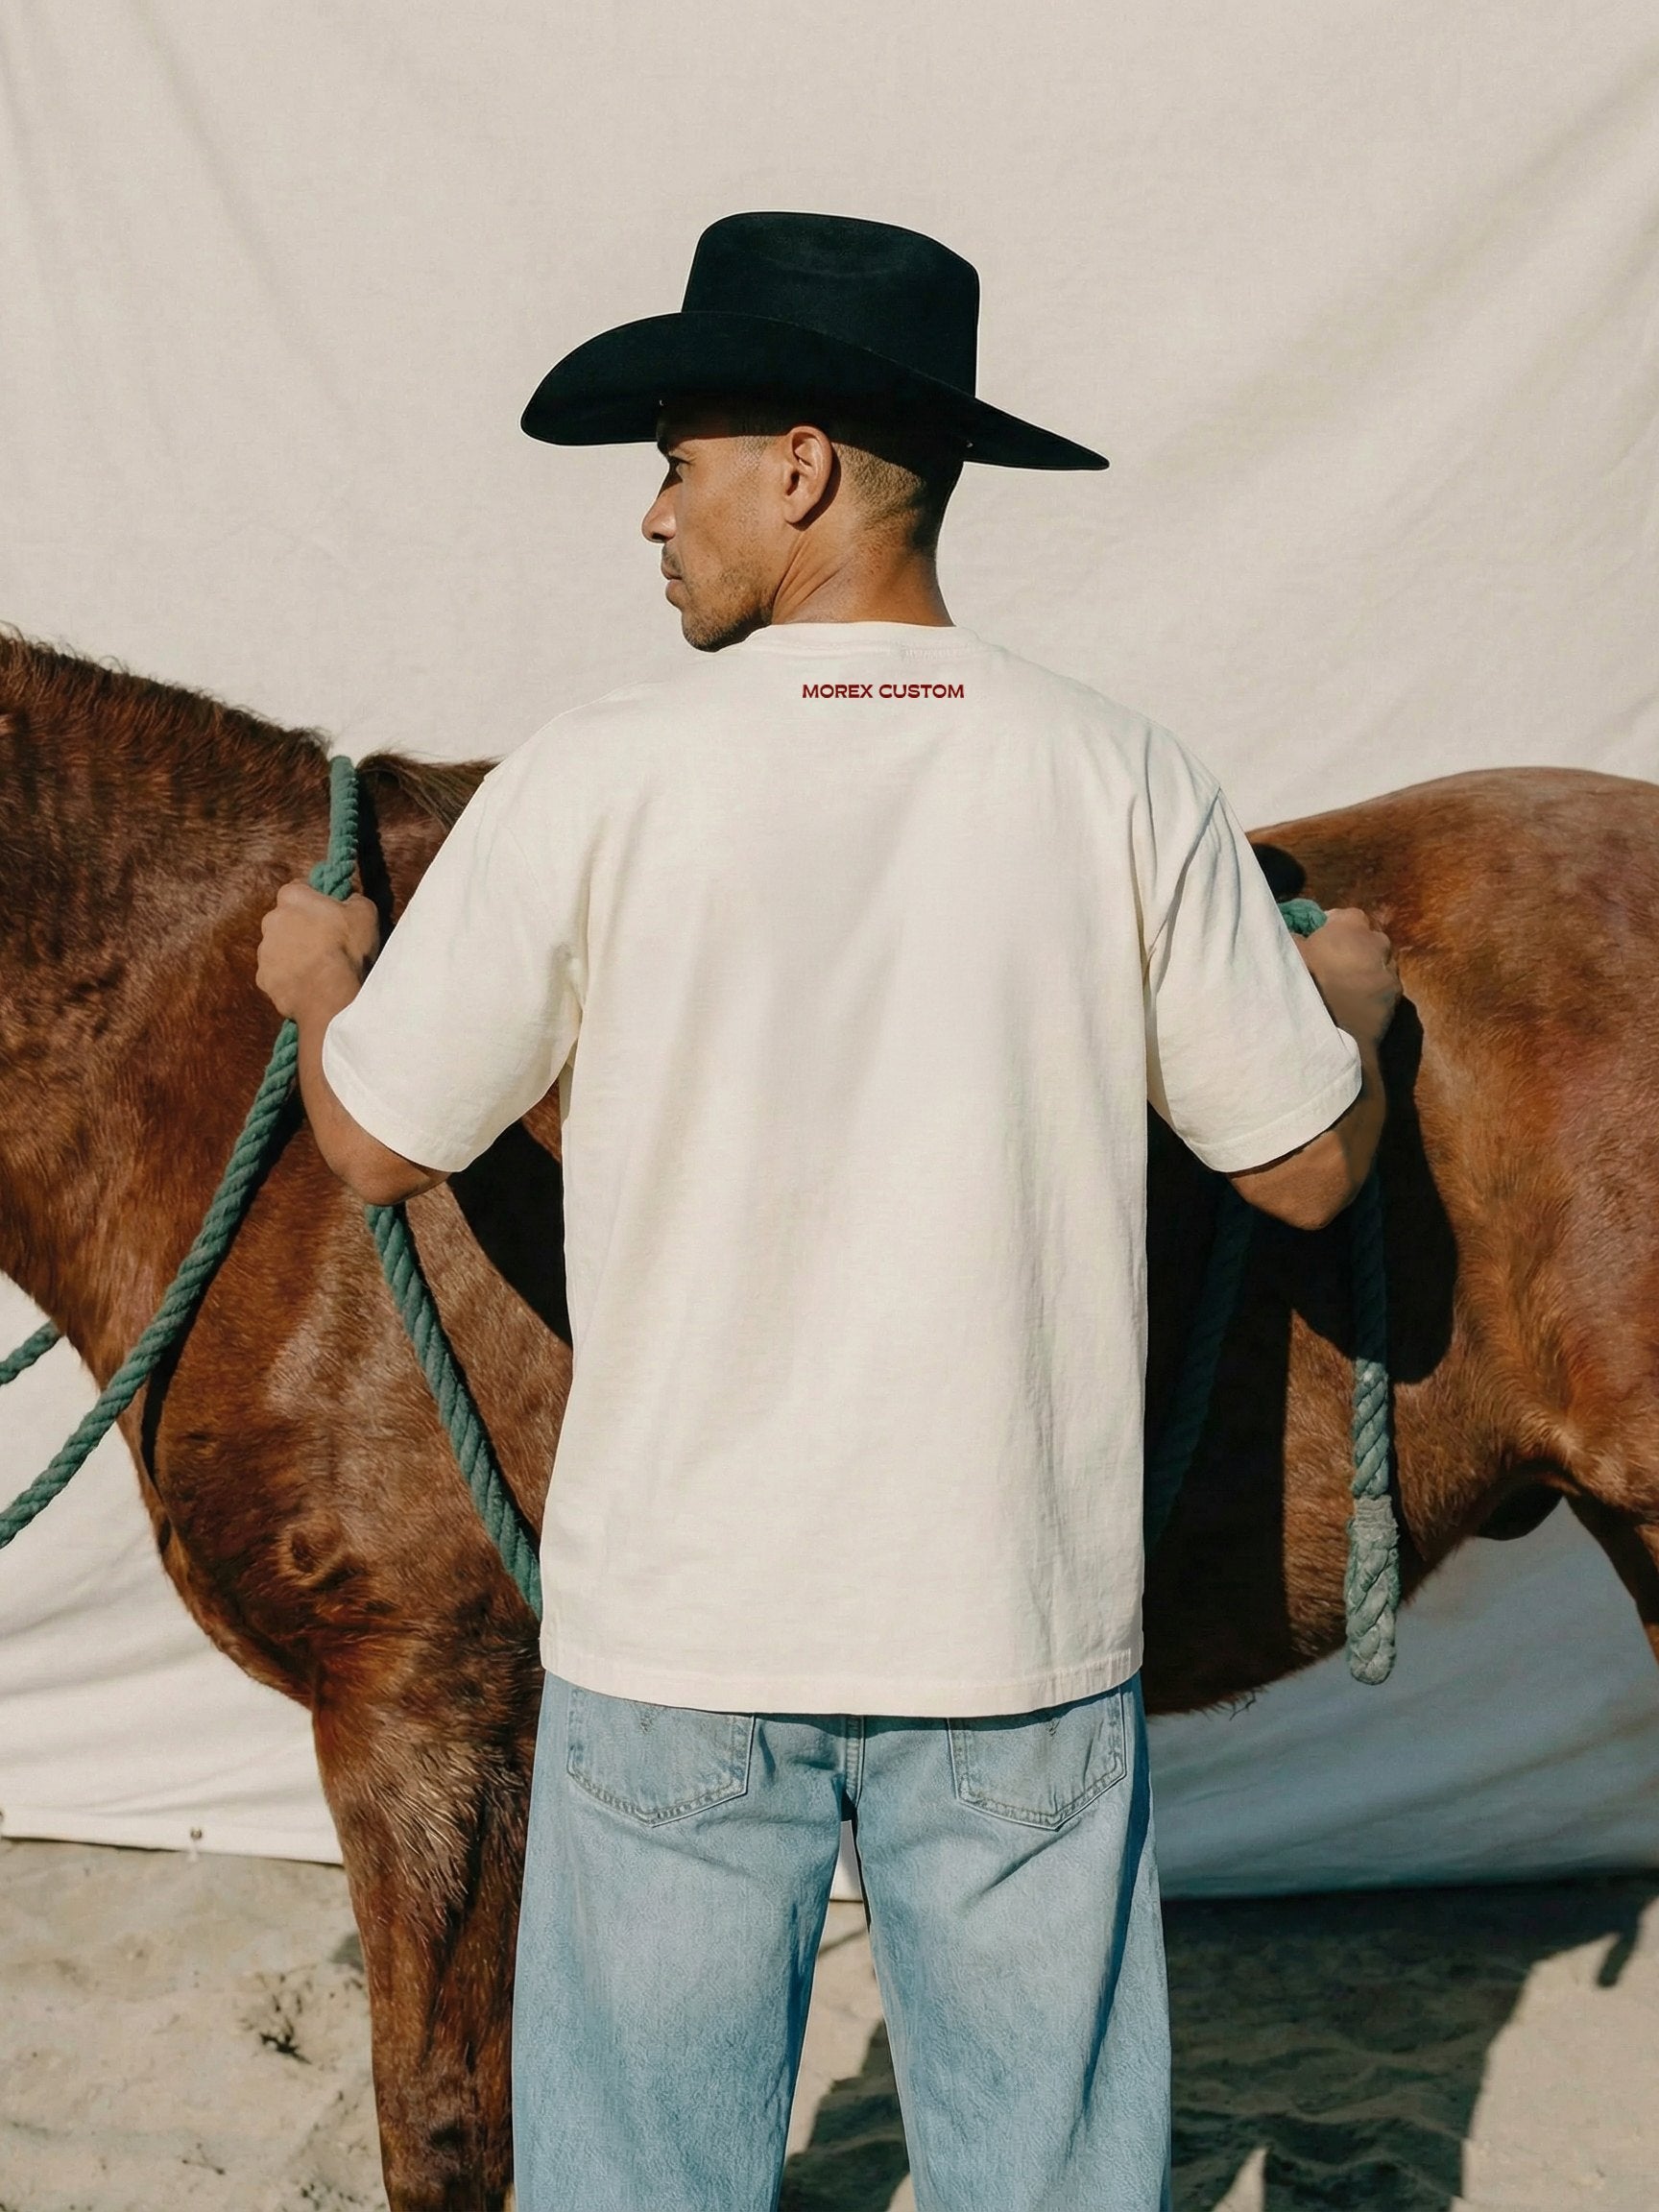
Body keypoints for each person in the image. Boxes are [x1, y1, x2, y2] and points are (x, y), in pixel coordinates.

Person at [255, 211, 1400, 2212]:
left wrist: (320, 986)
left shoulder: (599, 780)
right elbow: (1301, 1165)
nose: (653, 519)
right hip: (1013, 1625)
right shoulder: (1118, 777)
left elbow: (373, 1143)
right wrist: (1360, 1017)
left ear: (799, 468)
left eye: (678, 462)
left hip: (687, 1623)